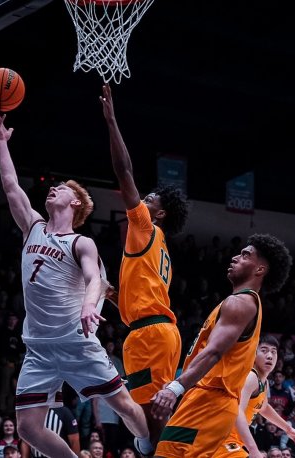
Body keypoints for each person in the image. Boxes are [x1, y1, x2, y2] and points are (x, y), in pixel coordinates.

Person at [0, 109, 153, 457]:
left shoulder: (81, 242)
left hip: (76, 343)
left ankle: (148, 442)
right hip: (38, 346)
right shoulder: (32, 226)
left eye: (61, 188)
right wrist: (1, 140)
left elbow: (95, 278)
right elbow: (9, 185)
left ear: (75, 202)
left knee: (124, 405)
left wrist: (86, 305)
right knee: (28, 428)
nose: (52, 189)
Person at [99, 84, 189, 446]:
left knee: (151, 427)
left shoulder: (145, 226)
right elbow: (140, 297)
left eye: (150, 198)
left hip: (152, 336)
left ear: (159, 213)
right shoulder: (156, 245)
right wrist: (109, 295)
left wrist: (111, 121)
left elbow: (124, 172)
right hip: (147, 333)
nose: (143, 198)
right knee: (145, 428)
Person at [153, 233, 293, 457]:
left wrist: (175, 387)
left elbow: (214, 352)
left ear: (259, 270)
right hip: (203, 398)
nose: (235, 258)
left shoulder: (242, 303)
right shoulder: (239, 302)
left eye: (245, 255)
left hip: (211, 400)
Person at [212, 335, 295, 458]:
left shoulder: (264, 382)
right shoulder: (251, 377)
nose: (269, 355)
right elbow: (238, 411)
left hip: (233, 441)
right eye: (264, 351)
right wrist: (253, 450)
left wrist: (288, 429)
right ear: (254, 354)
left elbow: (263, 408)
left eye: (273, 352)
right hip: (221, 439)